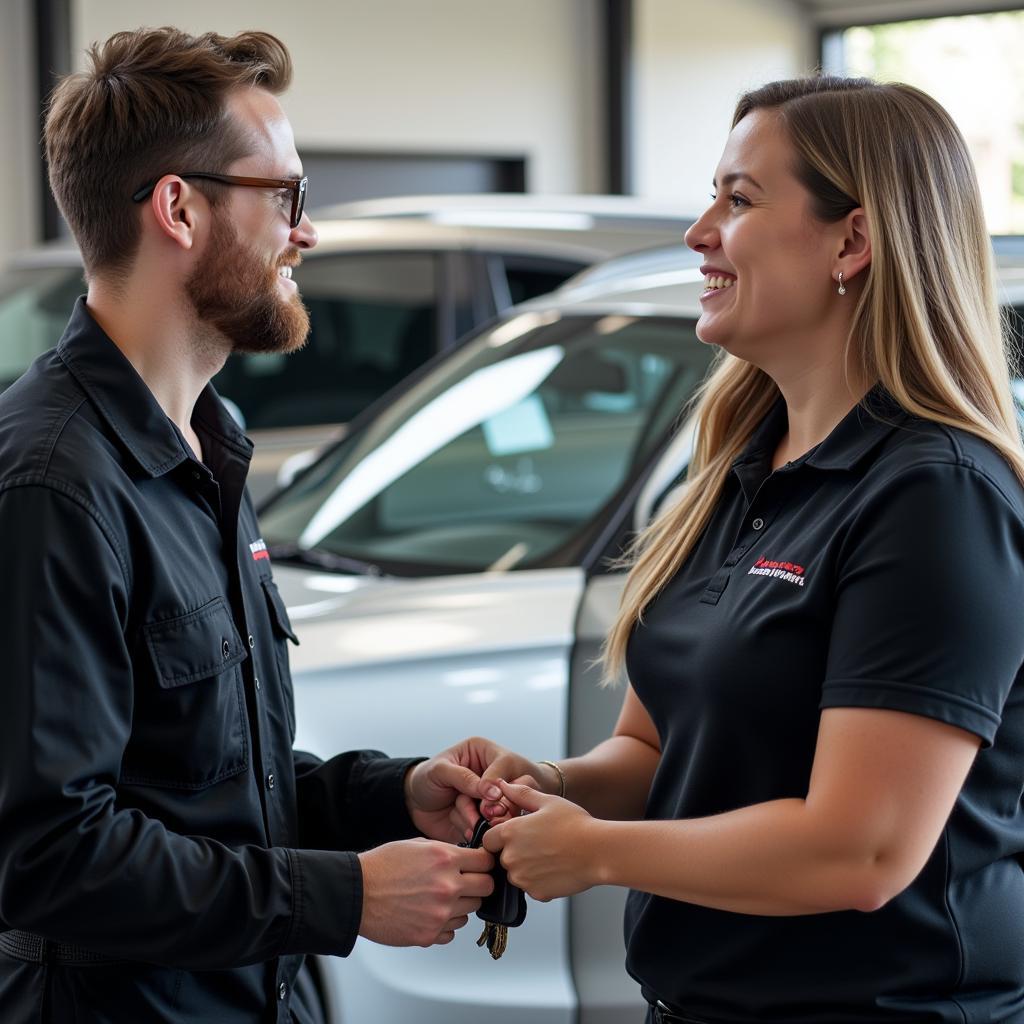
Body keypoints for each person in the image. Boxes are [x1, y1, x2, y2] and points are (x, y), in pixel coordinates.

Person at [465, 77, 1024, 1022]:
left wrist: (595, 851)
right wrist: (551, 788)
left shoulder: (938, 494)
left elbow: (862, 851)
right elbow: (653, 748)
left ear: (853, 241)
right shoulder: (739, 467)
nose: (698, 233)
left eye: (738, 199)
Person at [0, 27, 503, 1024]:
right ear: (178, 207)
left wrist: (384, 795)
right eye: (285, 196)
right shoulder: (52, 483)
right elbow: (48, 855)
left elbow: (199, 788)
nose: (305, 231)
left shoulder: (211, 440)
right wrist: (345, 894)